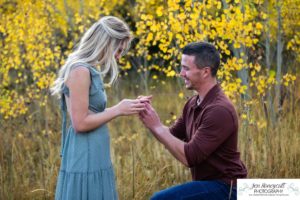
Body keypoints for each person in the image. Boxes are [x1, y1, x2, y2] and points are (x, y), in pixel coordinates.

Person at [51, 16, 150, 200]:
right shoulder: (80, 70)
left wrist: (129, 106)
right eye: (118, 50)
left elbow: (91, 114)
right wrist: (118, 109)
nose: (118, 57)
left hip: (93, 153)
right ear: (106, 42)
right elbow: (80, 123)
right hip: (85, 155)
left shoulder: (86, 69)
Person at [139, 42, 247, 200]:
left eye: (186, 68)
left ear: (205, 72)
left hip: (228, 188)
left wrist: (157, 126)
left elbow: (189, 157)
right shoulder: (192, 104)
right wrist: (149, 116)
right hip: (209, 184)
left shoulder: (219, 110)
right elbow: (171, 136)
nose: (181, 73)